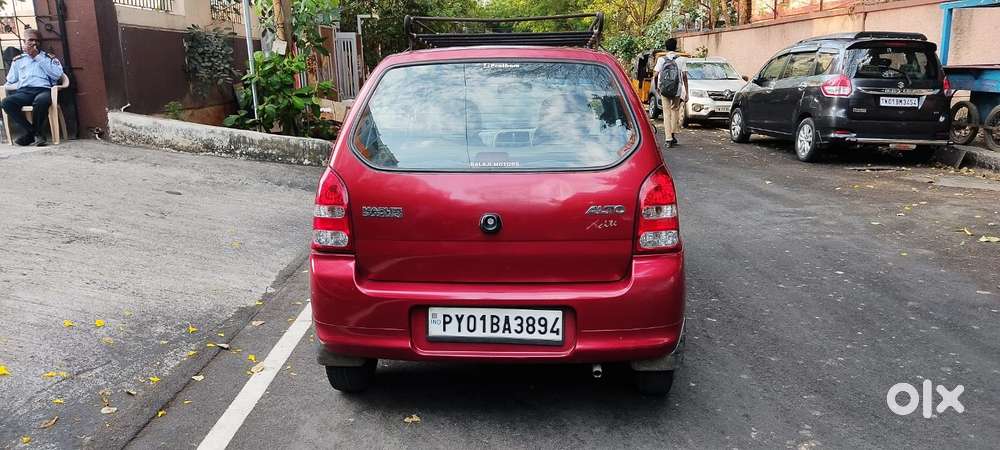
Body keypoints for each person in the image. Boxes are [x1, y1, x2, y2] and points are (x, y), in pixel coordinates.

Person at [2, 29, 64, 146]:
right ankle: (34, 133)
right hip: (25, 92)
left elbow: (57, 75)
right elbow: (10, 80)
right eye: (30, 40)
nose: (34, 43)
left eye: (37, 40)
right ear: (24, 42)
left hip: (44, 90)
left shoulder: (49, 58)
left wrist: (37, 57)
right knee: (6, 103)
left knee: (41, 100)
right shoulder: (18, 60)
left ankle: (31, 136)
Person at [652, 38, 689, 149]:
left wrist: (657, 87)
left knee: (666, 113)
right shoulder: (681, 60)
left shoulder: (661, 59)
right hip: (677, 89)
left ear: (666, 47)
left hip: (664, 89)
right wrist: (686, 92)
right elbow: (684, 76)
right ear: (675, 47)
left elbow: (655, 75)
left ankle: (668, 139)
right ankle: (672, 134)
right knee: (675, 110)